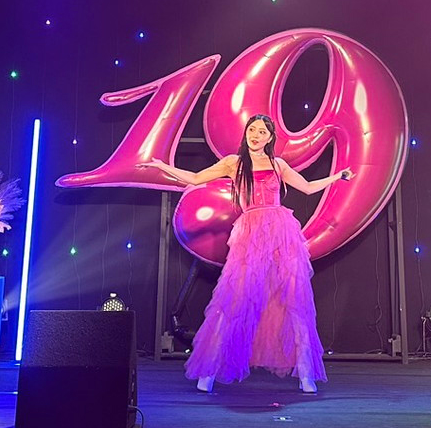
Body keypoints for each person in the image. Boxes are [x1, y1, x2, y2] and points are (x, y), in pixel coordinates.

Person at [139, 114, 350, 394]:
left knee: (294, 299)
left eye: (262, 131)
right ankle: (208, 372)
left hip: (281, 234)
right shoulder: (233, 163)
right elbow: (196, 178)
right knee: (233, 299)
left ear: (270, 137)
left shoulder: (278, 164)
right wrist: (163, 167)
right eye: (252, 129)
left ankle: (306, 374)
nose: (256, 135)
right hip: (250, 234)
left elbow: (308, 187)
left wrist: (337, 176)